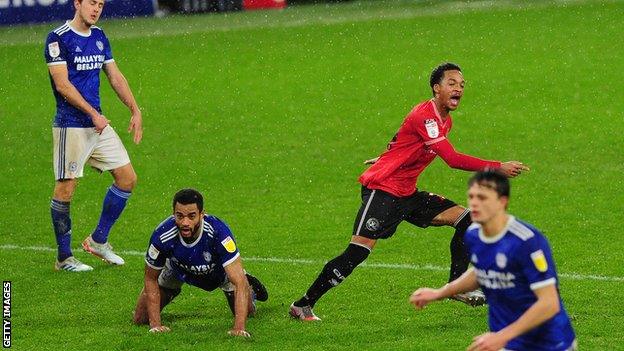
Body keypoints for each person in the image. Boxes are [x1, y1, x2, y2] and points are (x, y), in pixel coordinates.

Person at [290, 62, 529, 321]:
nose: (458, 88)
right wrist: (498, 167)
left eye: (462, 85)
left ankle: (456, 287)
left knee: (467, 219)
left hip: (407, 195)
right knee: (357, 252)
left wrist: (386, 156)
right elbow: (452, 159)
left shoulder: (443, 121)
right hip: (382, 192)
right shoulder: (425, 116)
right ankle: (303, 304)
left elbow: (402, 139)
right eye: (452, 83)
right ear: (436, 88)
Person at [410, 170, 576, 351]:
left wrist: (502, 337)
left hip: (548, 343)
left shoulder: (526, 242)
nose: (474, 203)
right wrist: (439, 293)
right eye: (471, 197)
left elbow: (549, 304)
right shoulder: (474, 235)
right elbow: (481, 270)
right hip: (507, 340)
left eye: (482, 198)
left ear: (502, 202)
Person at [44, 0, 143, 271]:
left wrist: (134, 109)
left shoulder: (99, 36)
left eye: (100, 4)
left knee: (127, 178)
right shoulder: (58, 38)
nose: (96, 8)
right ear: (77, 3)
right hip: (71, 125)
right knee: (66, 188)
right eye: (91, 3)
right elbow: (62, 85)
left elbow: (115, 76)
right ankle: (64, 258)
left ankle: (98, 240)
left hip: (97, 125)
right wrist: (92, 114)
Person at [132, 189, 268, 337]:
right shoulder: (162, 235)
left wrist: (239, 329)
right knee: (140, 318)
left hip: (220, 273)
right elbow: (150, 278)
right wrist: (156, 325)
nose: (185, 222)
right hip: (177, 271)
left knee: (248, 312)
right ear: (173, 214)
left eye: (191, 216)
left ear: (202, 214)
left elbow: (239, 282)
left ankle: (251, 290)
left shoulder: (219, 233)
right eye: (180, 216)